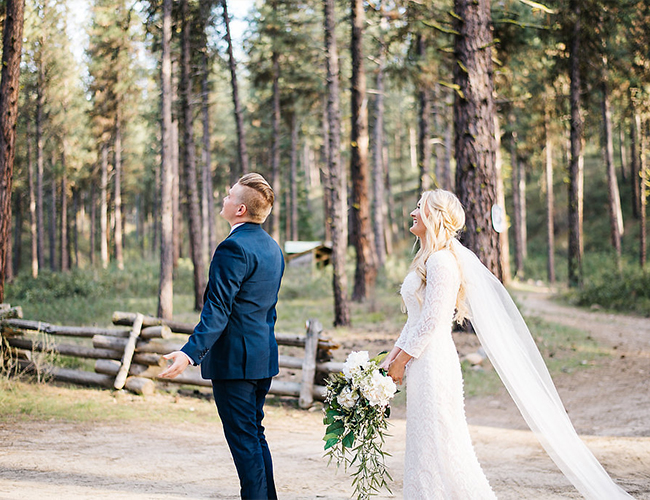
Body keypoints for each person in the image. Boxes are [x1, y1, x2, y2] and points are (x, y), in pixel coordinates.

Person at [380, 189, 634, 499]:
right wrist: (388, 362)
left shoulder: (443, 262)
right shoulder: (429, 260)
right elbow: (414, 322)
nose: (413, 213)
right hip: (421, 363)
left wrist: (400, 362)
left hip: (433, 365)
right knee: (425, 443)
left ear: (434, 216)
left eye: (419, 207)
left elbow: (432, 323)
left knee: (440, 442)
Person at [160, 173, 284, 500]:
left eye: (229, 196)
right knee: (254, 437)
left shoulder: (232, 248)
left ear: (240, 209)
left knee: (245, 443)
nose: (224, 199)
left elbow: (217, 309)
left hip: (235, 363)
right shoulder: (272, 248)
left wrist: (189, 352)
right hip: (262, 358)